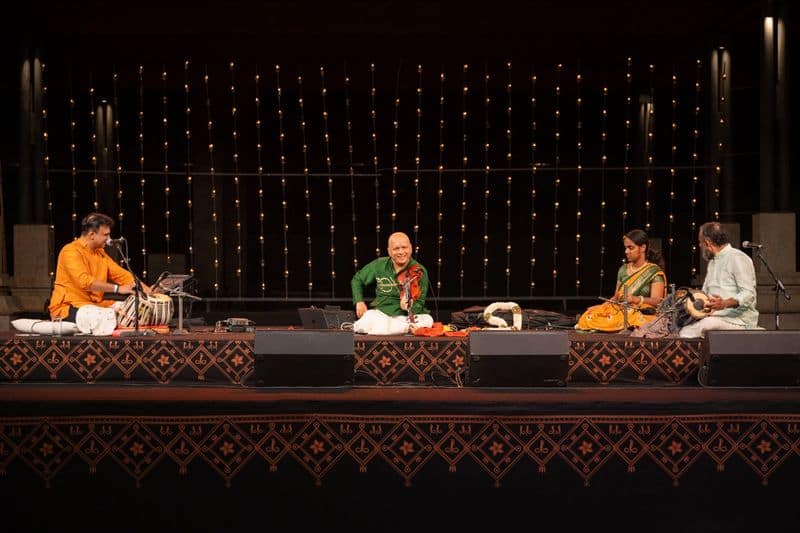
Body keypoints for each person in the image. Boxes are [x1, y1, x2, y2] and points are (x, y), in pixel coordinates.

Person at [49, 212, 150, 322]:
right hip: (68, 308)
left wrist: (147, 292)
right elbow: (86, 282)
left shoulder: (99, 253)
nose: (109, 239)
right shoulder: (70, 251)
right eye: (105, 235)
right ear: (92, 235)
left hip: (93, 305)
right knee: (111, 316)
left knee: (131, 308)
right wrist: (118, 289)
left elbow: (122, 275)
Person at [576, 229, 666, 332]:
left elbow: (658, 301)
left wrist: (637, 299)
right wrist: (602, 307)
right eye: (626, 248)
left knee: (632, 317)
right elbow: (616, 297)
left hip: (641, 312)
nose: (626, 251)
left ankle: (609, 327)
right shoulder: (623, 269)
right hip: (620, 309)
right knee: (589, 315)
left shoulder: (654, 272)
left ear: (643, 248)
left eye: (630, 248)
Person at [679, 222, 759, 337]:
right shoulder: (713, 262)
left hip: (738, 321)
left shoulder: (737, 258)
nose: (700, 246)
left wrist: (725, 303)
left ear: (707, 243)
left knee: (693, 330)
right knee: (680, 323)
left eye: (700, 242)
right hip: (714, 317)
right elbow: (705, 294)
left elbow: (749, 293)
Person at [351, 232, 434, 335]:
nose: (401, 252)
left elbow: (420, 302)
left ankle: (394, 329)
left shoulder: (419, 271)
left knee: (428, 320)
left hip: (405, 317)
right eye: (396, 249)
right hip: (382, 314)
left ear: (411, 248)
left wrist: (410, 307)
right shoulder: (379, 265)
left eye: (404, 247)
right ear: (389, 251)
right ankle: (405, 329)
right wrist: (359, 301)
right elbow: (357, 279)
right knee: (369, 317)